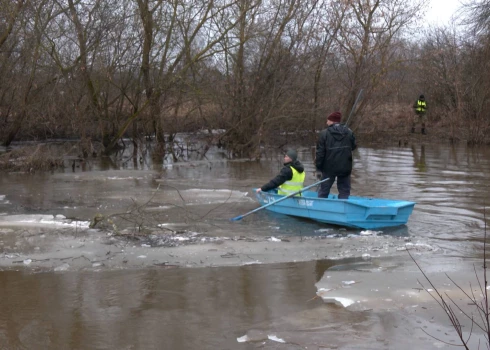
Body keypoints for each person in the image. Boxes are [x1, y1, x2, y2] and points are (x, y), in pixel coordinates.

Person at [315, 111, 357, 199]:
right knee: (344, 191)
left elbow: (320, 153)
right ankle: (342, 208)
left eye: (328, 120)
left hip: (329, 167)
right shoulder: (349, 132)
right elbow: (353, 147)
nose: (326, 122)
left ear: (333, 121)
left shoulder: (324, 133)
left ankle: (320, 208)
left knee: (324, 190)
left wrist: (318, 168)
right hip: (345, 166)